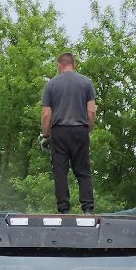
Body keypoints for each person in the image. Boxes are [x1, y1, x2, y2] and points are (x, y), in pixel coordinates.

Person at [39, 52, 97, 213]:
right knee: (83, 171)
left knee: (60, 172)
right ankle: (87, 210)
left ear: (59, 65)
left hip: (59, 132)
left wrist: (45, 136)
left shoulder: (51, 85)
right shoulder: (86, 83)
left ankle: (64, 210)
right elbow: (91, 112)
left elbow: (46, 115)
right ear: (73, 64)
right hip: (80, 129)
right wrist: (87, 130)